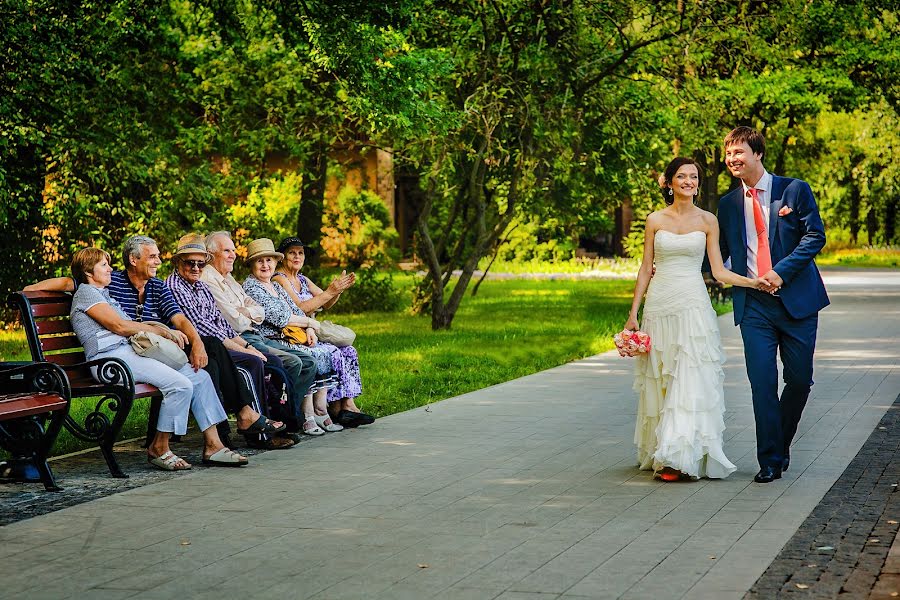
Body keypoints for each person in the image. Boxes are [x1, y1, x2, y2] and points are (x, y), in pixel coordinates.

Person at [627, 157, 765, 481]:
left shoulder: (707, 221)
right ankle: (661, 447)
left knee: (688, 376)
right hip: (660, 305)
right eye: (681, 176)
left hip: (693, 305)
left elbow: (717, 271)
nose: (688, 181)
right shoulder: (654, 220)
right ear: (669, 182)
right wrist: (633, 313)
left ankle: (679, 457)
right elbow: (646, 268)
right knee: (661, 379)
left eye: (693, 177)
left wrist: (752, 281)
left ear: (698, 183)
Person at [68, 247, 248, 469]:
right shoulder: (86, 292)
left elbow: (128, 327)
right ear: (88, 271)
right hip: (109, 360)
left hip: (128, 354)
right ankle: (159, 448)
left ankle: (214, 445)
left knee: (198, 377)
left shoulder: (103, 293)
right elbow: (119, 326)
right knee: (180, 385)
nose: (110, 269)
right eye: (104, 265)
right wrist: (161, 331)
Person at [718, 126, 829, 484]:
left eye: (739, 152)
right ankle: (769, 459)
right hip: (754, 307)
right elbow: (717, 255)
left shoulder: (793, 190)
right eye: (729, 154)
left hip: (797, 302)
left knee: (799, 381)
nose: (733, 159)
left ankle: (779, 445)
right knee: (762, 383)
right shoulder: (727, 204)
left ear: (758, 153)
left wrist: (780, 273)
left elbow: (815, 235)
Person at [164, 234, 293, 449]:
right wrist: (248, 351)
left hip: (216, 345)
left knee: (266, 361)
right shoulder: (176, 286)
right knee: (251, 363)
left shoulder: (201, 287)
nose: (196, 268)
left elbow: (223, 325)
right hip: (193, 348)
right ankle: (254, 431)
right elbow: (204, 329)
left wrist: (248, 347)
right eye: (190, 263)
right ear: (178, 262)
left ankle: (271, 426)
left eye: (200, 263)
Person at [200, 232, 321, 434]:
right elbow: (236, 321)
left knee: (309, 362)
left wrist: (309, 325)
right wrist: (249, 313)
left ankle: (287, 412)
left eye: (269, 260)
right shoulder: (220, 280)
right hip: (244, 337)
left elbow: (259, 310)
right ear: (212, 254)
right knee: (289, 362)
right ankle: (277, 419)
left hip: (256, 335)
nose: (232, 255)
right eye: (227, 251)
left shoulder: (230, 278)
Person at [242, 238, 343, 436]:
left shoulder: (275, 286)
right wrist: (311, 323)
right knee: (306, 359)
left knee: (319, 355)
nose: (265, 265)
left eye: (269, 260)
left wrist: (310, 329)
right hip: (270, 338)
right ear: (252, 264)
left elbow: (296, 310)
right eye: (260, 261)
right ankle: (296, 414)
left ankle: (302, 411)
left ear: (275, 262)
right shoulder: (252, 287)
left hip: (290, 337)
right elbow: (279, 317)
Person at [273, 236, 374, 428]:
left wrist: (337, 290)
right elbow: (301, 307)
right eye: (292, 252)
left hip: (310, 332)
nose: (297, 256)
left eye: (300, 253)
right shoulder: (280, 278)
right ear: (283, 257)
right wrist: (330, 291)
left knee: (349, 351)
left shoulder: (302, 279)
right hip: (294, 335)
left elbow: (326, 302)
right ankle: (335, 409)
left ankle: (347, 404)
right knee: (333, 352)